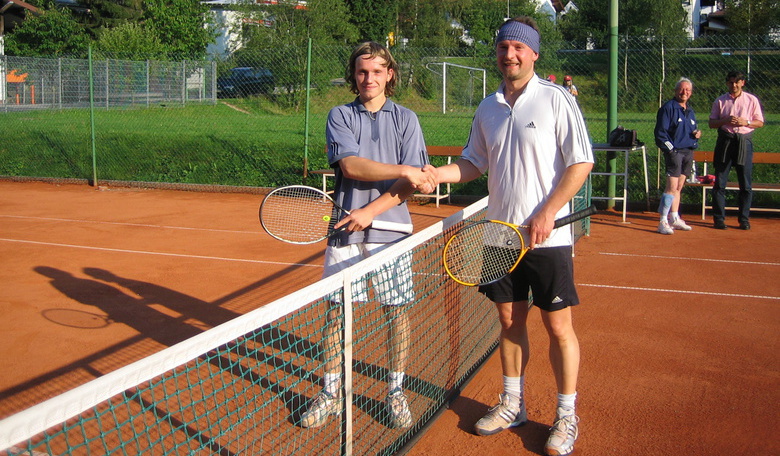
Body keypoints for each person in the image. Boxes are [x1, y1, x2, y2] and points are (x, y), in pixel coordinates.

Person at [425, 17, 593, 456]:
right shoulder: (488, 108)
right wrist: (438, 175)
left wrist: (548, 212)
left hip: (547, 239)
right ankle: (513, 403)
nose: (509, 55)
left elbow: (581, 163)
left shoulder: (556, 99)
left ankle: (565, 414)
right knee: (508, 322)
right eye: (503, 48)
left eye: (519, 47)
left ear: (534, 53)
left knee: (558, 327)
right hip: (500, 237)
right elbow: (472, 164)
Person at [298, 41, 436, 429]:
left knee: (396, 312)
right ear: (353, 76)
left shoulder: (407, 118)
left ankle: (395, 390)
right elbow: (352, 165)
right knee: (336, 312)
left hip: (391, 231)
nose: (368, 79)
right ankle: (331, 391)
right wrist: (404, 170)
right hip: (345, 231)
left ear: (390, 74)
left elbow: (409, 182)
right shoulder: (339, 114)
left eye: (377, 71)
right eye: (362, 72)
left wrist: (371, 211)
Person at [708, 70, 764, 230]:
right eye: (730, 82)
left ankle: (744, 219)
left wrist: (745, 122)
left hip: (743, 142)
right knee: (720, 182)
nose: (733, 85)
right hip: (725, 141)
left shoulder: (751, 100)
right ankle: (719, 219)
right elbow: (712, 123)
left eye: (736, 82)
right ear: (727, 83)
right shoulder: (720, 101)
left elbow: (759, 122)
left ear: (742, 83)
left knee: (745, 184)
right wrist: (725, 120)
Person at [654, 77, 702, 235]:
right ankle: (662, 221)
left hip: (688, 152)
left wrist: (696, 134)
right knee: (671, 187)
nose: (684, 92)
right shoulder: (668, 108)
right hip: (675, 153)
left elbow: (689, 130)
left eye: (688, 90)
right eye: (681, 89)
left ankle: (674, 217)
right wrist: (671, 150)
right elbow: (661, 134)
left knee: (679, 187)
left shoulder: (690, 111)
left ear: (691, 93)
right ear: (675, 91)